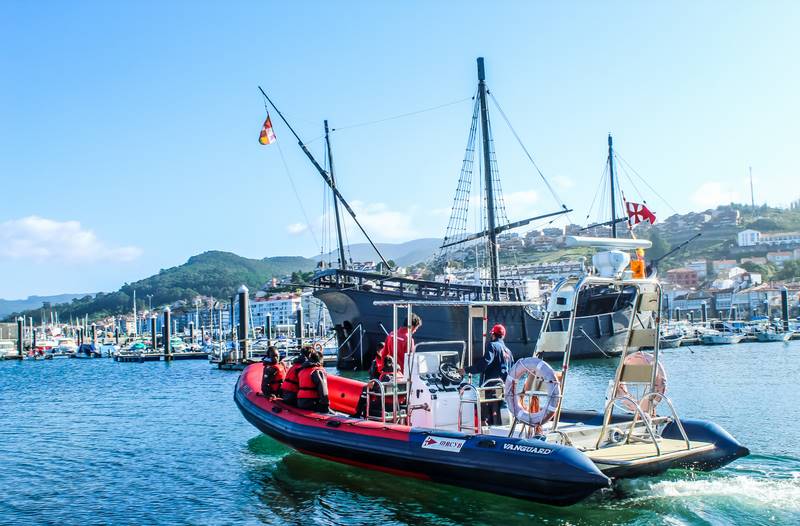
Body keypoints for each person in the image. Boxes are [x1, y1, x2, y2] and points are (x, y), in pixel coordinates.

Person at [462, 323, 514, 425]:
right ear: (503, 336)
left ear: (493, 335)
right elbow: (511, 371)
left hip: (489, 387)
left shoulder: (492, 346)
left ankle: (483, 432)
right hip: (503, 387)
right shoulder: (509, 351)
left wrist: (466, 370)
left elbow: (484, 363)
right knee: (497, 411)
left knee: (483, 413)